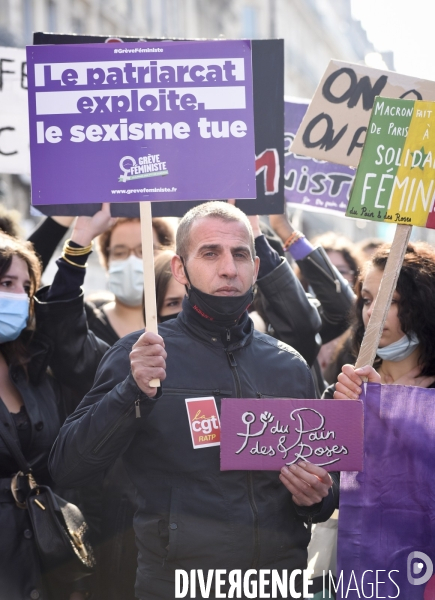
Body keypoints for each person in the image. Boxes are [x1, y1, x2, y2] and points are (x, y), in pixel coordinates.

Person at [49, 201, 338, 600]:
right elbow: (67, 466)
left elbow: (324, 486)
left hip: (278, 584)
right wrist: (132, 392)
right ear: (180, 269)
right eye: (210, 253)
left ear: (255, 267)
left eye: (239, 254)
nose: (228, 268)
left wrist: (318, 497)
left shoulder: (288, 365)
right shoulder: (141, 355)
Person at [0, 233, 105, 600]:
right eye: (5, 283)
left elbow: (63, 318)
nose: (16, 295)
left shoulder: (32, 366)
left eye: (26, 287)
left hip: (47, 562)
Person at [331, 241, 435, 400]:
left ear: (424, 304)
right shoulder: (347, 391)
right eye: (366, 300)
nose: (372, 311)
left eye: (390, 301)